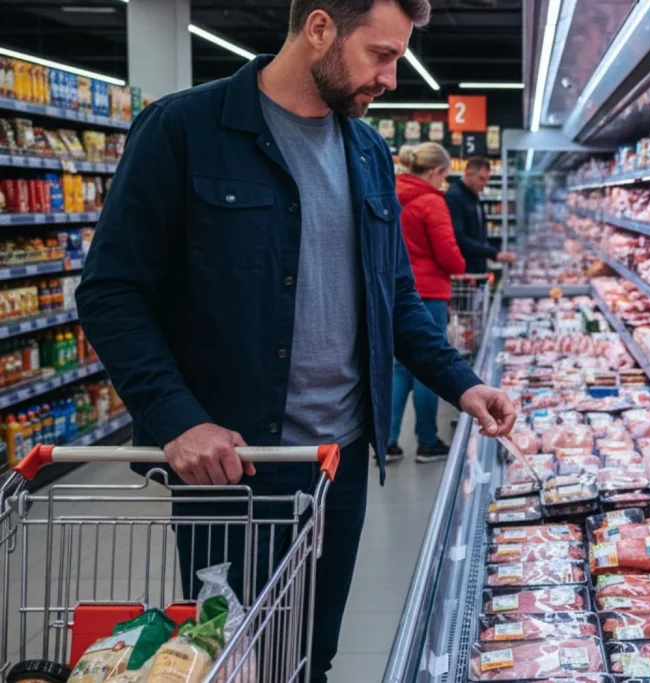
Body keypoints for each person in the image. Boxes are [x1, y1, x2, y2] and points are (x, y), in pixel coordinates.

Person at [74, 1, 516, 681]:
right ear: (318, 29)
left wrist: (462, 380)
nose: (393, 78)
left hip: (338, 465)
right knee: (234, 660)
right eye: (381, 54)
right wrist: (177, 418)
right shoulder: (185, 130)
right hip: (233, 467)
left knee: (314, 655)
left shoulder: (367, 152)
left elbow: (393, 297)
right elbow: (111, 291)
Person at [388, 142, 465, 463]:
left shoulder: (391, 192)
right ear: (435, 171)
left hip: (395, 290)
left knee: (398, 368)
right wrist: (460, 266)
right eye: (444, 176)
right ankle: (428, 441)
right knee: (428, 367)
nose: (443, 182)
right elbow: (446, 251)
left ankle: (387, 441)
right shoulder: (432, 202)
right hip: (429, 292)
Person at [446, 155, 515, 273]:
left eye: (487, 179)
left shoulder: (472, 195)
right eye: (481, 179)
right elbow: (458, 237)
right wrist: (493, 253)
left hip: (476, 269)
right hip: (464, 271)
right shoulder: (454, 197)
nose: (485, 184)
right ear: (468, 173)